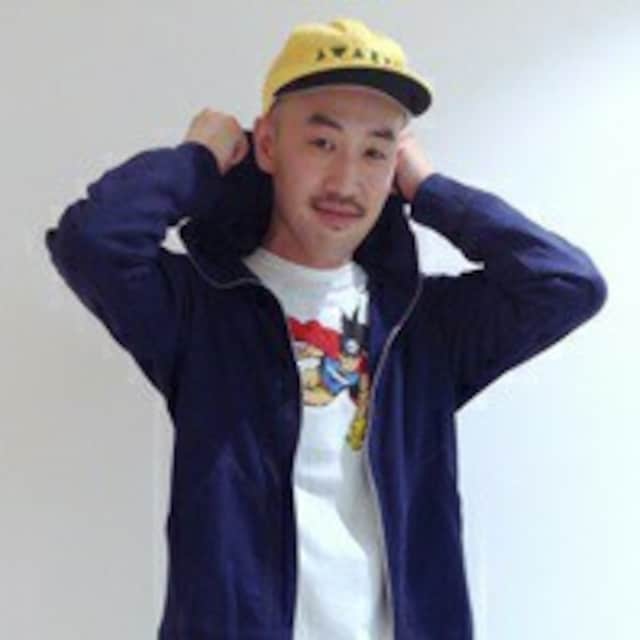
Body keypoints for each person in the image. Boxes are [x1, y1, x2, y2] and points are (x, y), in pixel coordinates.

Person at [44, 16, 607, 640]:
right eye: (321, 142)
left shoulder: (423, 326)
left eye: (375, 151)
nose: (346, 181)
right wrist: (197, 159)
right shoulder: (202, 310)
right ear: (267, 146)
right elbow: (93, 242)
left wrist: (431, 190)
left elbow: (568, 284)